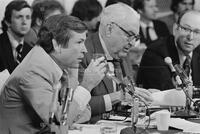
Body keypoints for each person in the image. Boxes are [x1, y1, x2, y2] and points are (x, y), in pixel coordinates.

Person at [0, 14, 107, 134]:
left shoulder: (58, 64)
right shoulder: (34, 71)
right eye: (79, 42)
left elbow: (84, 115)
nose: (84, 49)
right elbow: (60, 122)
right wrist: (86, 86)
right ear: (57, 45)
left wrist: (73, 78)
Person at [80, 3, 153, 123]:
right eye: (129, 35)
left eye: (136, 37)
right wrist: (117, 97)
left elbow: (128, 92)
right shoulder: (83, 53)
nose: (133, 43)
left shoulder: (122, 52)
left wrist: (144, 95)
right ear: (109, 29)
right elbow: (77, 106)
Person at [136, 10, 200, 91]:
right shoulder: (155, 53)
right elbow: (168, 94)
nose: (190, 37)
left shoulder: (197, 52)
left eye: (197, 32)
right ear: (175, 29)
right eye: (186, 29)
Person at [0, 0, 32, 74]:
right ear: (8, 22)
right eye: (19, 17)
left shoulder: (30, 51)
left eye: (28, 17)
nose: (24, 22)